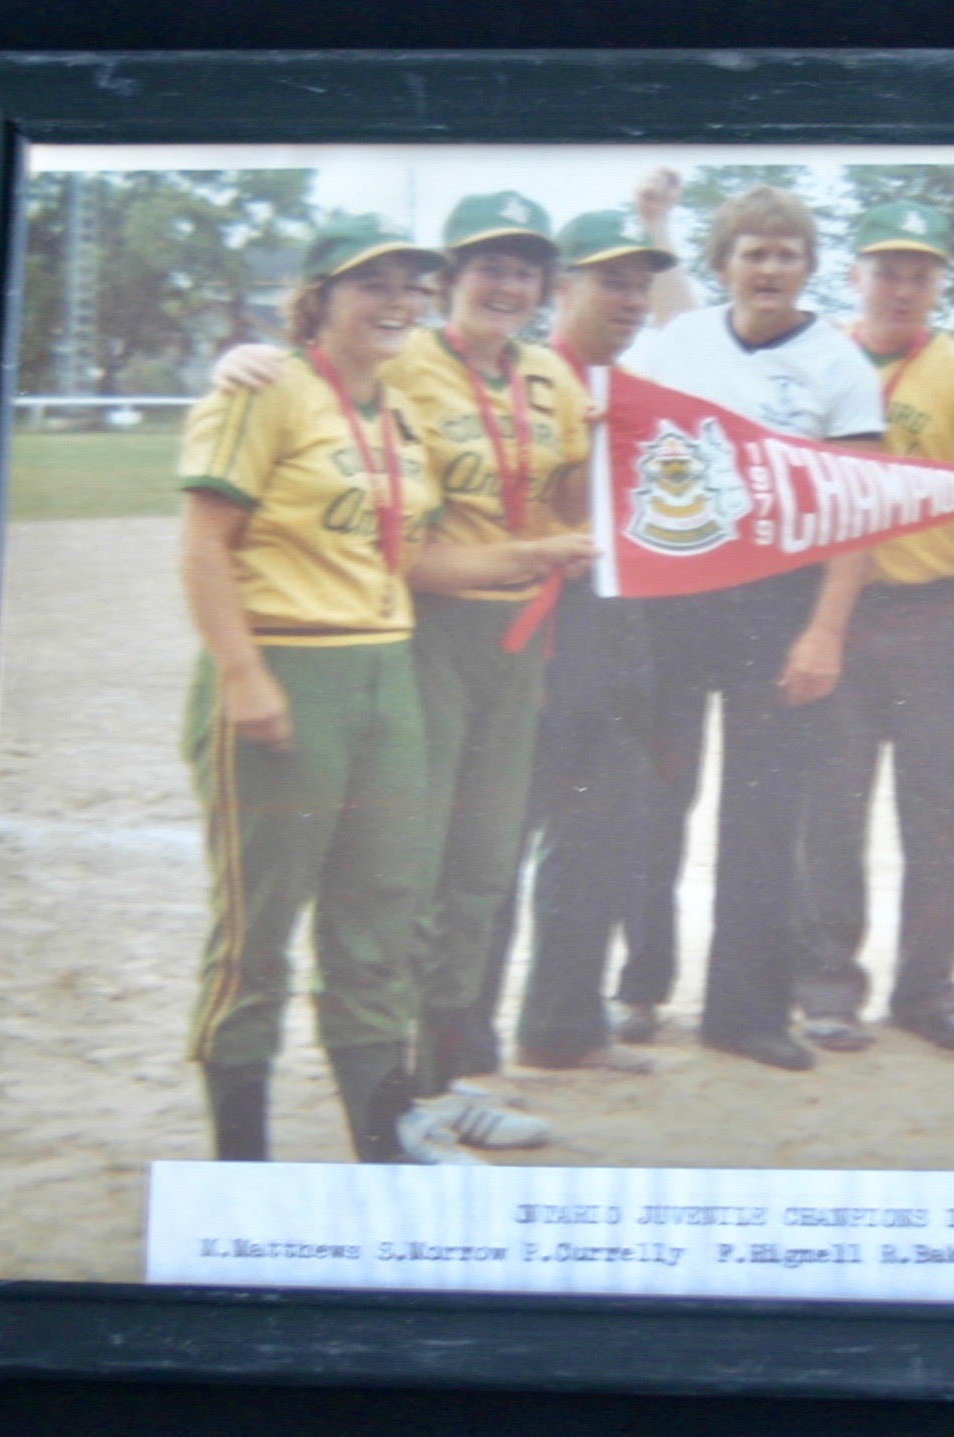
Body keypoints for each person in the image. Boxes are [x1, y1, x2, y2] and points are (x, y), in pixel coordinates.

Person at [176, 215, 464, 1165]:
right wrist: (244, 673)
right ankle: (241, 1157)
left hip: (386, 669)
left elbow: (410, 558)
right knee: (258, 930)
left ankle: (382, 1136)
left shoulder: (400, 411)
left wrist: (543, 554)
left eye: (412, 285)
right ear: (319, 299)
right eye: (373, 283)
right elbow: (203, 544)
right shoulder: (267, 389)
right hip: (286, 668)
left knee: (380, 914)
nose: (399, 302)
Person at [615, 185, 885, 1071]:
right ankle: (638, 984)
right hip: (675, 598)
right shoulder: (680, 340)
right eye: (752, 253)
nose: (769, 269)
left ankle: (745, 1010)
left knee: (764, 811)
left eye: (786, 254)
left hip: (776, 604)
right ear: (723, 263)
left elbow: (856, 512)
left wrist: (824, 632)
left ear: (809, 268)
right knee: (654, 795)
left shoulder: (838, 364)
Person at [791, 201, 954, 1055]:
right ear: (853, 276)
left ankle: (927, 991)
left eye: (919, 274)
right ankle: (826, 984)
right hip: (840, 610)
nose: (901, 288)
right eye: (886, 271)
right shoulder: (817, 353)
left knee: (935, 812)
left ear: (938, 284)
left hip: (941, 613)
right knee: (832, 806)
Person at [392, 192, 600, 1130]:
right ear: (451, 277)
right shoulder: (403, 362)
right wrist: (245, 360)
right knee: (416, 865)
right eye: (489, 267)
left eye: (524, 271)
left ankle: (446, 1080)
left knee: (481, 867)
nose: (507, 286)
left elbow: (568, 499)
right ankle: (391, 1080)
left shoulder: (551, 374)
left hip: (520, 638)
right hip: (429, 628)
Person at [499, 197, 683, 1073]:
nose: (632, 301)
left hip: (617, 630)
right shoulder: (522, 380)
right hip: (532, 630)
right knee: (498, 844)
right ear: (563, 287)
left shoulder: (626, 389)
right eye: (612, 281)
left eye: (641, 285)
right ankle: (457, 1044)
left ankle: (562, 1025)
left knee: (600, 834)